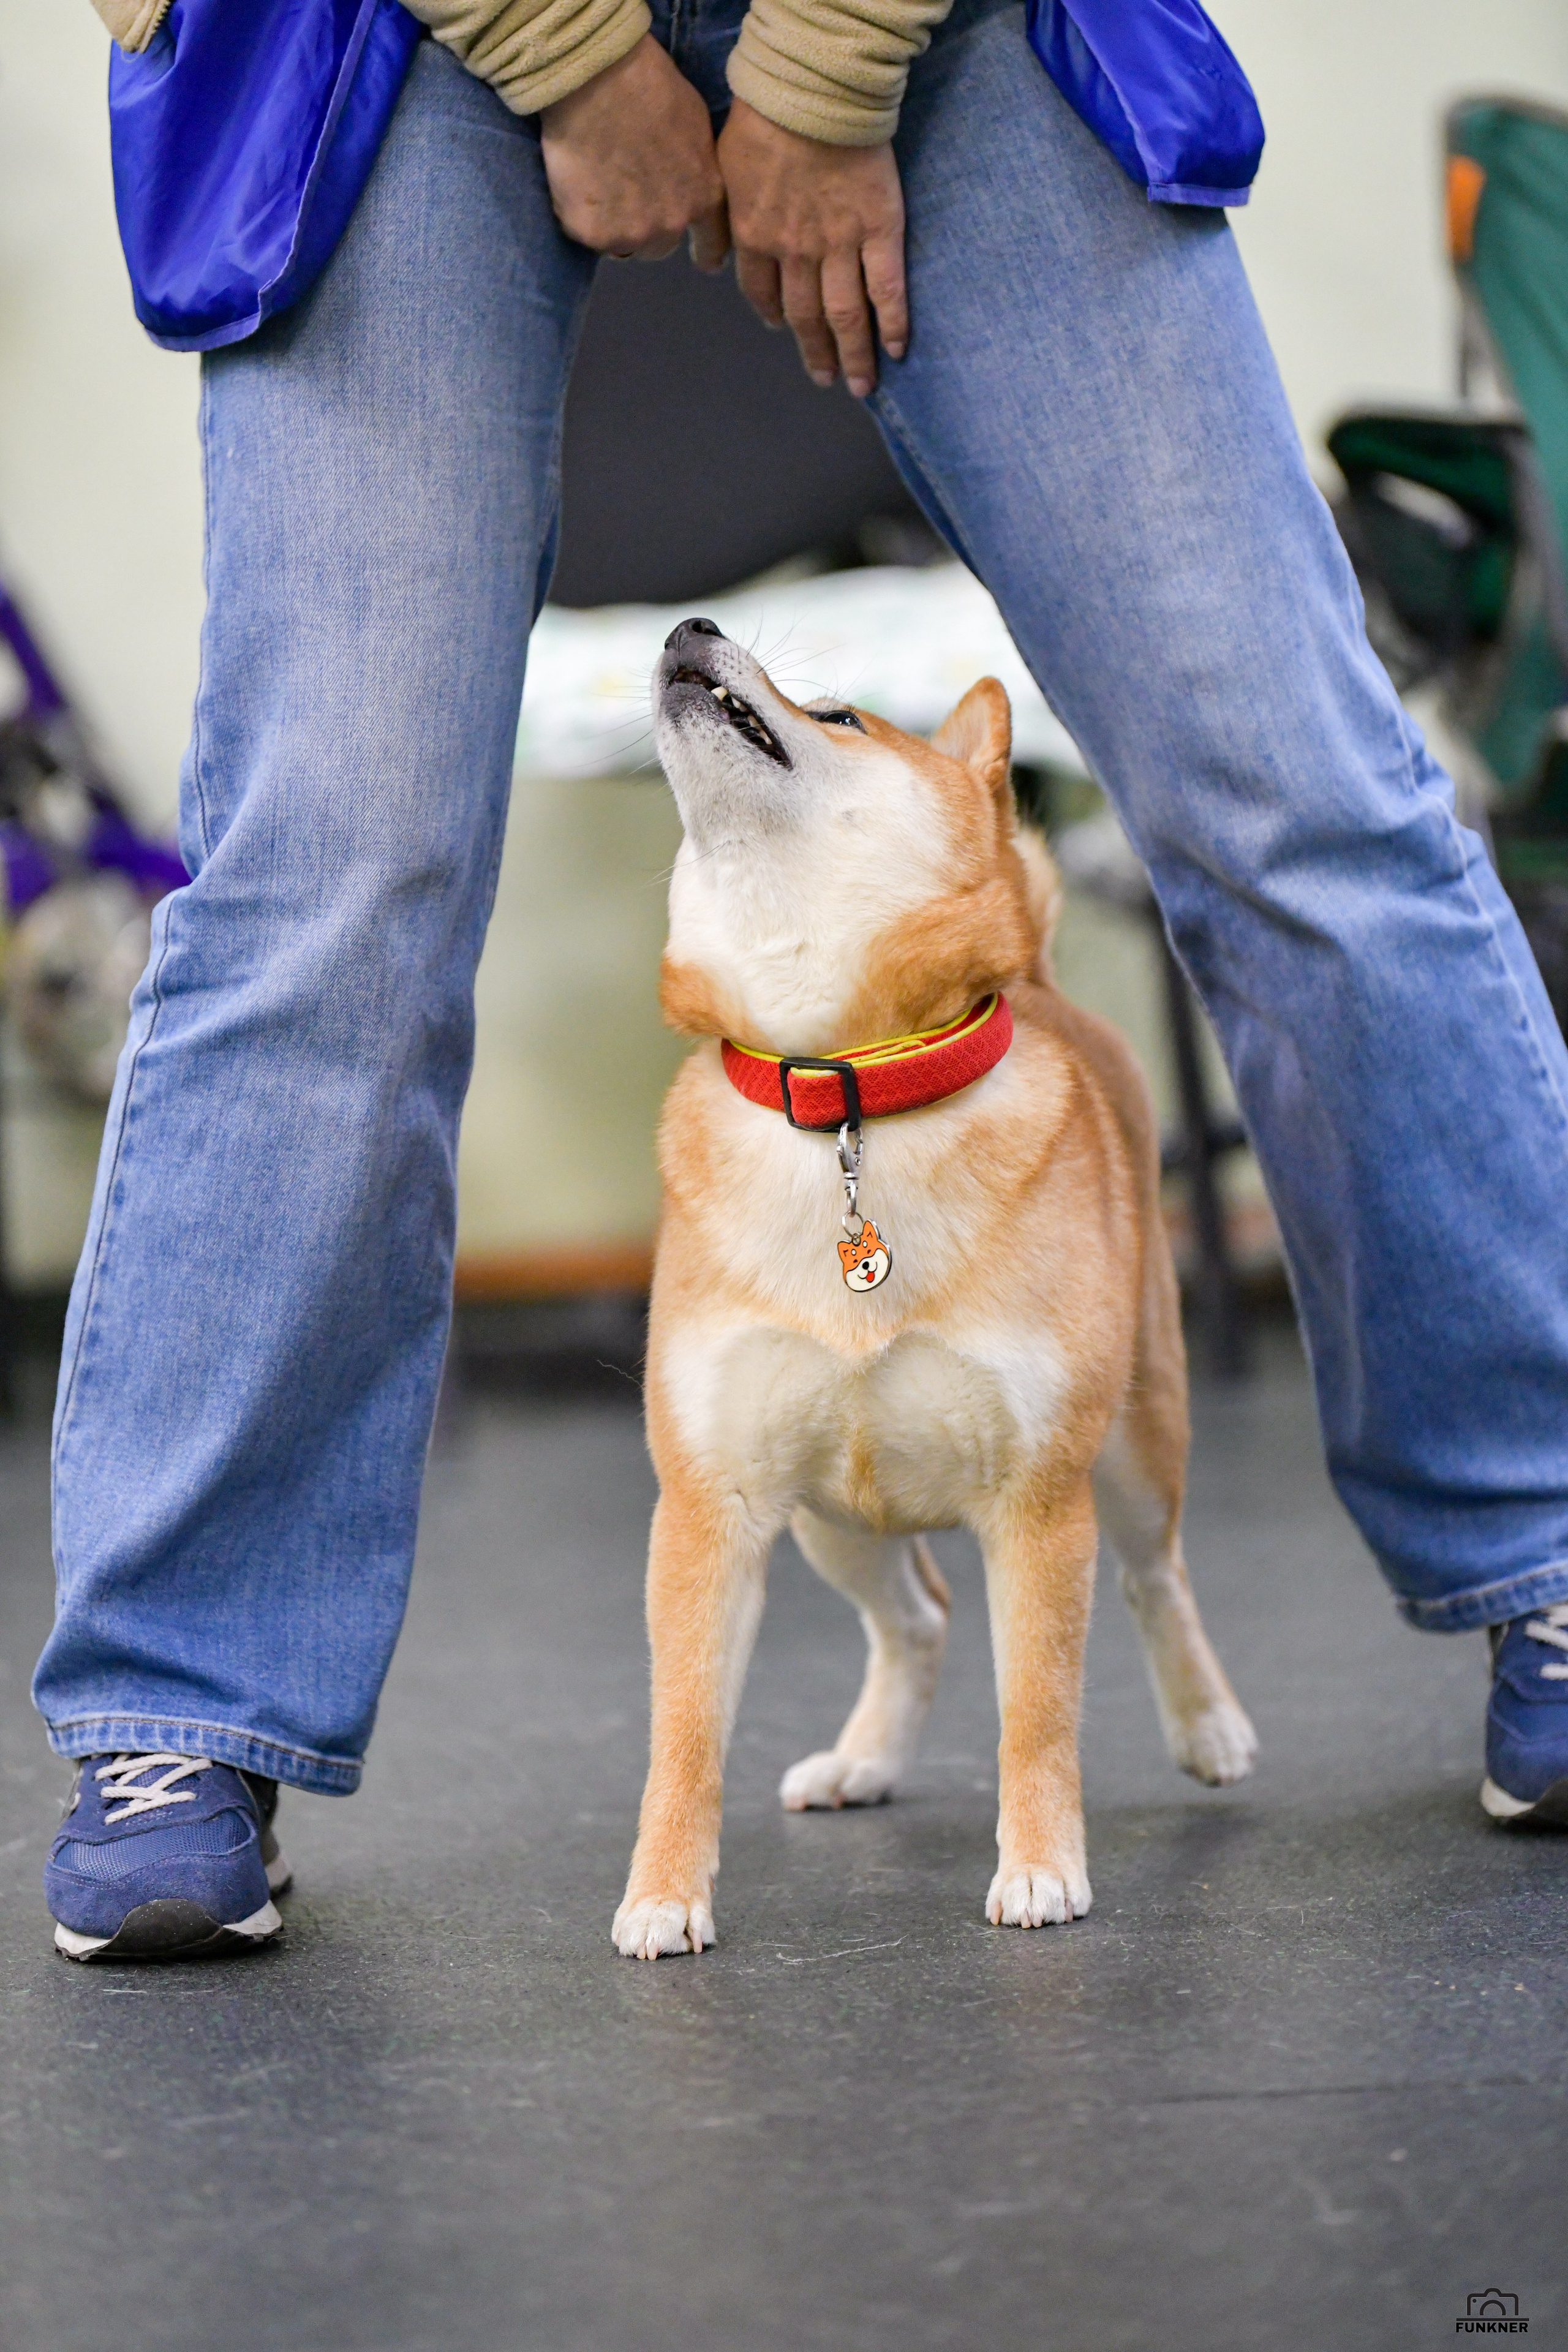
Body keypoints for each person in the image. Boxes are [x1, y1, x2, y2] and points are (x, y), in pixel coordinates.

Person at [37, 0, 1568, 1962]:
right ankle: (182, 1709)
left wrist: (827, 68)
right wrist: (571, 55)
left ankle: (1543, 1537)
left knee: (1307, 793)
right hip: (369, 36)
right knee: (327, 887)